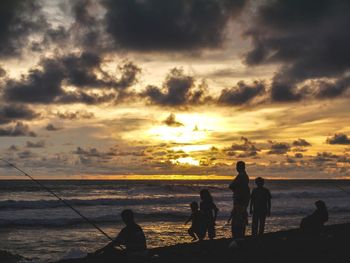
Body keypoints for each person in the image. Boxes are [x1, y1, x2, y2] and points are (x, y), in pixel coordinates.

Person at [228, 161, 250, 238]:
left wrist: (236, 191)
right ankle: (240, 237)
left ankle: (238, 237)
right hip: (243, 199)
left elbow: (231, 186)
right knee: (241, 219)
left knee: (238, 221)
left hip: (239, 200)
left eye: (237, 166)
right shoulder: (245, 176)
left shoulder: (241, 175)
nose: (236, 168)